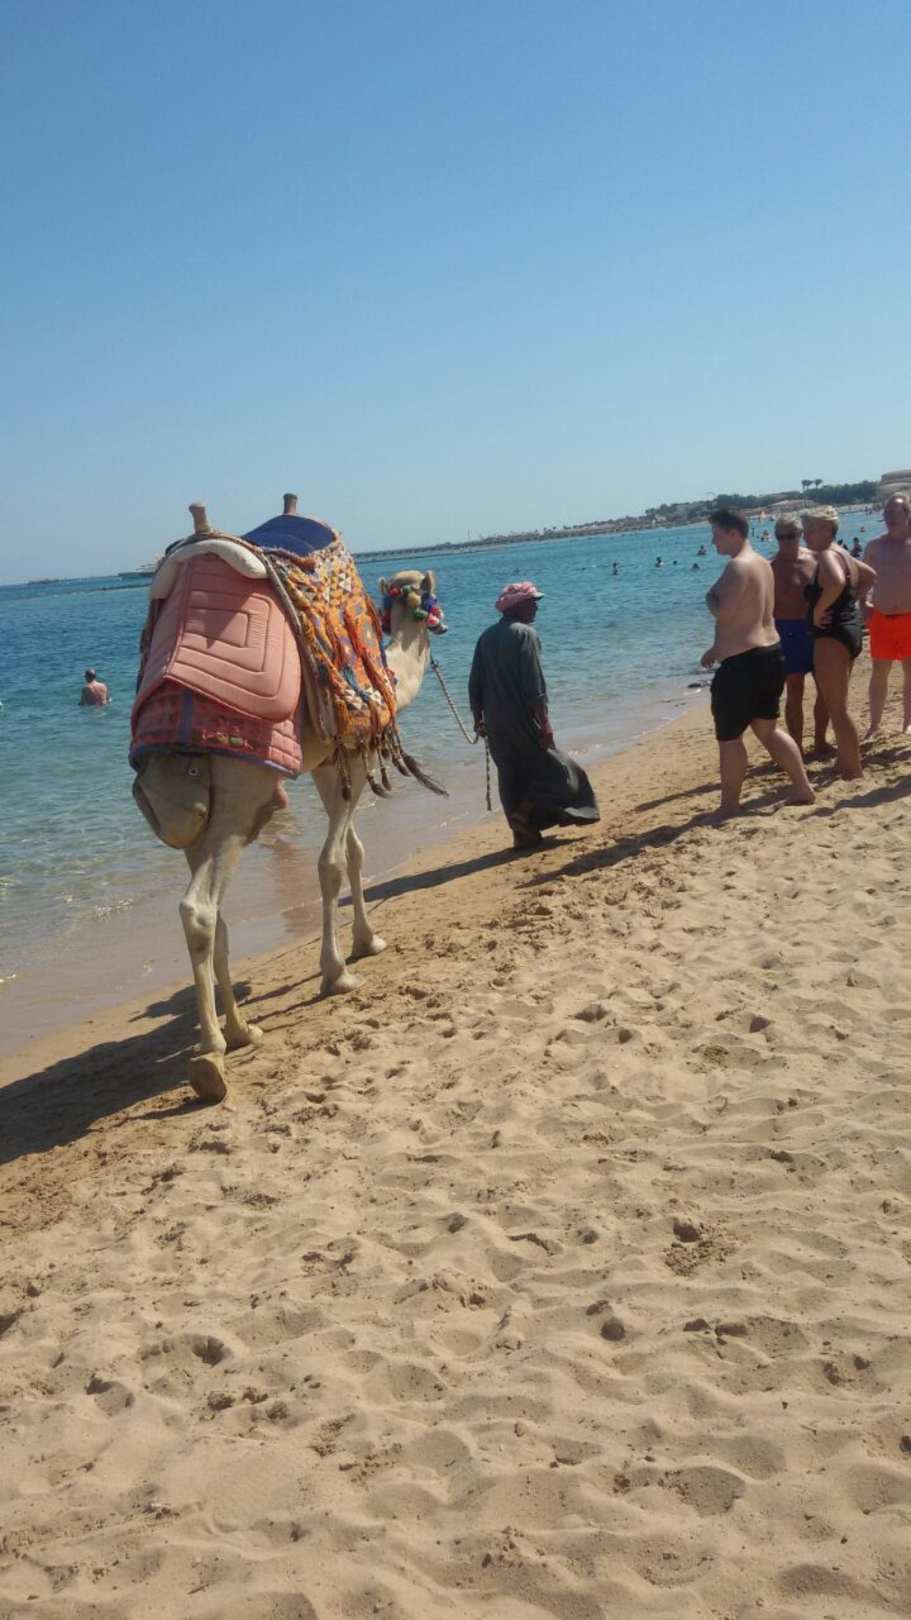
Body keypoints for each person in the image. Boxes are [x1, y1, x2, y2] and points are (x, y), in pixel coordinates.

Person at [701, 508, 814, 817]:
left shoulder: (738, 566)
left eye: (716, 534)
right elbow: (748, 614)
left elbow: (724, 613)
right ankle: (803, 786)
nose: (713, 541)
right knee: (768, 730)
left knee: (730, 737)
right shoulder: (763, 563)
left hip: (743, 664)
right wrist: (715, 649)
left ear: (734, 533)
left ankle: (729, 806)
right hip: (770, 654)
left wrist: (710, 597)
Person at [469, 582, 600, 850]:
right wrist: (545, 723)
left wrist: (477, 718)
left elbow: (474, 683)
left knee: (511, 775)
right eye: (532, 602)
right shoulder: (525, 634)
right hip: (522, 718)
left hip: (495, 721)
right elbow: (534, 684)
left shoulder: (486, 636)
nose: (536, 607)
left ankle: (523, 834)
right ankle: (525, 813)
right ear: (518, 606)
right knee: (559, 770)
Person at [802, 506, 875, 779]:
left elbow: (834, 582)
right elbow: (870, 575)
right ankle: (846, 760)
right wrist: (854, 601)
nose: (805, 535)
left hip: (832, 637)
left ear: (826, 530)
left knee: (837, 709)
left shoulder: (827, 554)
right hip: (849, 630)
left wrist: (819, 609)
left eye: (810, 530)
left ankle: (852, 768)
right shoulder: (843, 553)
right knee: (838, 704)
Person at [770, 516, 828, 756]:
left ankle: (820, 741)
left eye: (791, 536)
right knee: (795, 690)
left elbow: (840, 585)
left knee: (825, 687)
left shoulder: (815, 559)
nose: (786, 542)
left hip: (816, 629)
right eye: (781, 537)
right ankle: (796, 748)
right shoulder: (770, 567)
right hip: (786, 631)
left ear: (800, 534)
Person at [861, 493, 911, 738]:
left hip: (909, 617)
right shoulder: (875, 546)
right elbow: (862, 579)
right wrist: (863, 604)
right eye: (887, 512)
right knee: (879, 672)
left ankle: (908, 721)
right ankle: (874, 724)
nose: (889, 517)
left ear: (907, 514)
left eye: (895, 512)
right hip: (882, 618)